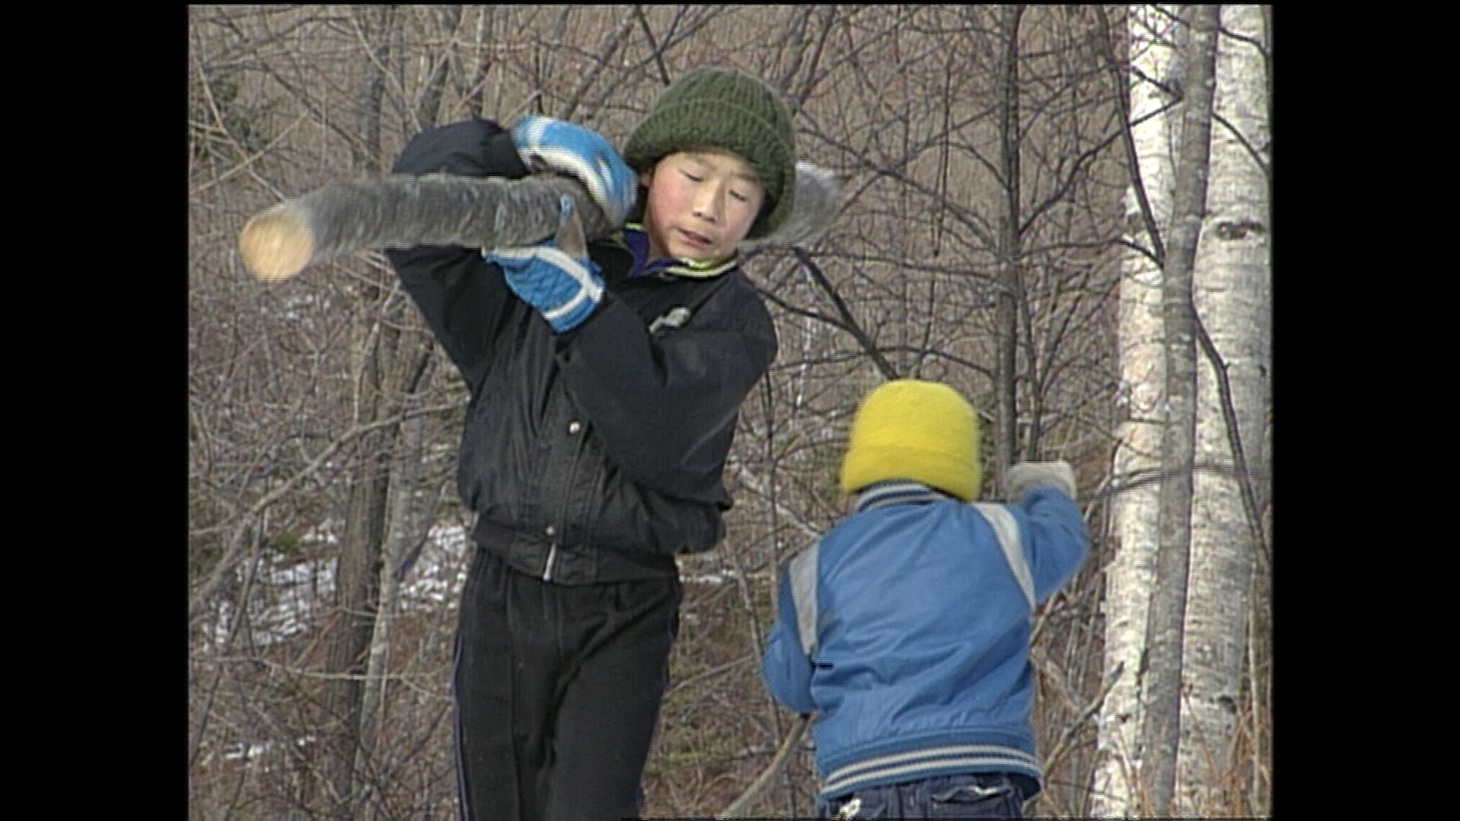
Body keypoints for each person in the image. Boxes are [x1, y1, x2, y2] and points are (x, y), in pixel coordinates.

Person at [383, 66, 806, 821]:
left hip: (623, 604)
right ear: (647, 173)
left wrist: (583, 309)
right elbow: (417, 218)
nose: (711, 206)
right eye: (695, 175)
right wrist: (514, 146)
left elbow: (660, 429)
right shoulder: (539, 266)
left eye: (741, 193)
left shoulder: (733, 319)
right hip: (501, 589)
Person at [760, 379, 1090, 819]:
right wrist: (1044, 490)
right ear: (957, 459)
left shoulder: (813, 566)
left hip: (860, 787)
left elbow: (792, 686)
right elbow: (1064, 540)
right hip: (973, 779)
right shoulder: (997, 533)